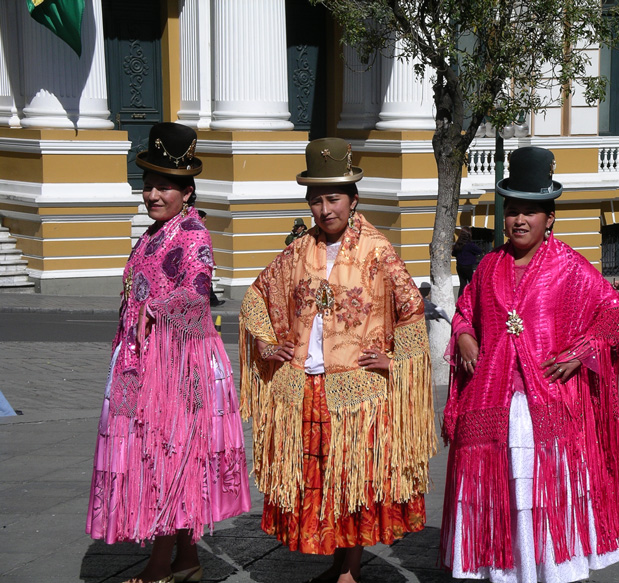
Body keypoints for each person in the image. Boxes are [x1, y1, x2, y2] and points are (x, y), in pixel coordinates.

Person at [239, 138, 437, 583]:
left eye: (333, 199)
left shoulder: (376, 249)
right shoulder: (297, 250)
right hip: (307, 384)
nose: (325, 210)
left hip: (356, 390)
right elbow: (257, 295)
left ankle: (349, 569)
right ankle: (336, 562)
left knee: (353, 480)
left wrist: (396, 361)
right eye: (316, 200)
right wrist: (269, 345)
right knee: (320, 479)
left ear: (353, 199)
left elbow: (411, 307)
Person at [440, 146, 619, 583]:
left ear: (549, 218)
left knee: (545, 497)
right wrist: (465, 334)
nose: (519, 220)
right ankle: (507, 571)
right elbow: (464, 310)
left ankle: (551, 571)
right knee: (505, 497)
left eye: (530, 212)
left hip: (547, 404)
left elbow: (614, 313)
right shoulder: (489, 266)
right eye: (512, 210)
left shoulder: (569, 266)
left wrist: (579, 352)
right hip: (494, 403)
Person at [86, 123, 251, 583]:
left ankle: (159, 565)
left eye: (164, 187)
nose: (153, 195)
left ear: (187, 191)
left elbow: (196, 295)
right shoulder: (153, 234)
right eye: (148, 185)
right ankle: (186, 558)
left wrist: (156, 309)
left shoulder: (193, 233)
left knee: (166, 457)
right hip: (143, 361)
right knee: (163, 456)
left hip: (178, 366)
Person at [197, 209, 225, 307]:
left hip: (202, 261)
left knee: (206, 282)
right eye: (204, 218)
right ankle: (212, 300)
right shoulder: (200, 230)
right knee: (206, 281)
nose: (206, 220)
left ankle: (212, 300)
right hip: (201, 262)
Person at [452, 226, 483, 298]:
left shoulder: (458, 244)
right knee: (473, 283)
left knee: (462, 284)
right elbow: (479, 251)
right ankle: (473, 299)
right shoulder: (470, 245)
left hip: (459, 266)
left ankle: (460, 300)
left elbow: (453, 253)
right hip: (468, 267)